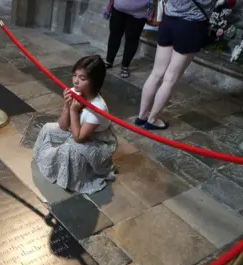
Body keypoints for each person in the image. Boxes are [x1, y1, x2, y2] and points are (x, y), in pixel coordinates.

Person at [136, 0, 231, 130]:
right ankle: (152, 120)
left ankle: (142, 116)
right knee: (170, 79)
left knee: (156, 73)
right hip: (191, 26)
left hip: (168, 22)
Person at [33, 55, 117, 195]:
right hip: (75, 129)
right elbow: (62, 125)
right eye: (74, 75)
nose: (76, 82)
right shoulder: (74, 91)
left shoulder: (98, 107)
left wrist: (73, 110)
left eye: (82, 78)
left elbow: (79, 138)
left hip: (97, 140)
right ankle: (49, 163)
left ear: (94, 81)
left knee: (70, 149)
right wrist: (67, 106)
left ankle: (74, 177)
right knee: (48, 128)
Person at [105, 0, 150, 78]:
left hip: (139, 12)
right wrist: (109, 7)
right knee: (114, 35)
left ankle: (125, 66)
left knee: (132, 40)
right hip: (118, 8)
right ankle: (109, 61)